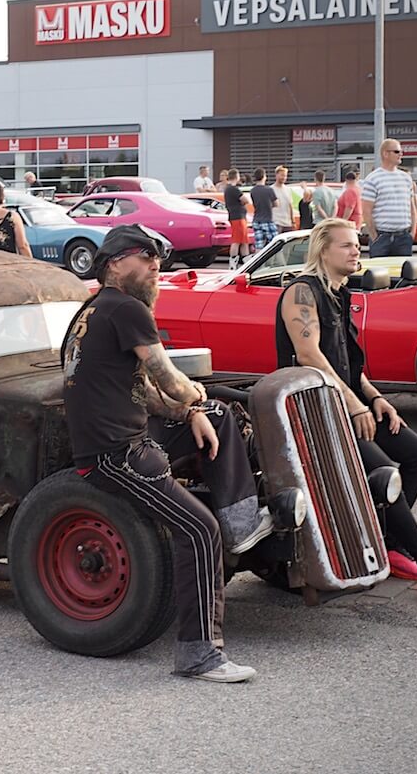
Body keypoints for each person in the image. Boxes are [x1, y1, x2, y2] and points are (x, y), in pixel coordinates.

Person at [62, 224, 283, 683]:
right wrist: (191, 396)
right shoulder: (126, 308)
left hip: (124, 441)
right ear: (116, 262)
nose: (155, 265)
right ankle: (199, 654)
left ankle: (240, 519)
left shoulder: (95, 309)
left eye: (158, 257)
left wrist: (191, 413)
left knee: (219, 416)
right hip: (116, 454)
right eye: (145, 256)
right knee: (200, 530)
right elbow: (165, 377)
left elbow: (140, 389)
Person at [276, 219, 417, 603]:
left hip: (347, 401)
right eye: (346, 246)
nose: (355, 250)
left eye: (357, 244)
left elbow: (348, 367)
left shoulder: (341, 295)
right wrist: (355, 405)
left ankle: (390, 543)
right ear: (323, 251)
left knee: (415, 455)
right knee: (383, 474)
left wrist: (376, 400)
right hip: (316, 412)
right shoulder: (302, 292)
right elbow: (310, 357)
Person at [362, 139, 417, 257]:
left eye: (401, 151)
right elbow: (366, 211)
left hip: (404, 237)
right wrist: (374, 236)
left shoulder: (406, 178)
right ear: (385, 154)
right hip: (382, 237)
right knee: (379, 273)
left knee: (404, 273)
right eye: (397, 151)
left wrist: (412, 233)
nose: (401, 154)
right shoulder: (373, 179)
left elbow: (412, 208)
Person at [223, 169, 250, 270]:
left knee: (243, 240)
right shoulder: (234, 189)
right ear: (236, 176)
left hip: (236, 216)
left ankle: (246, 260)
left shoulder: (227, 189)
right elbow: (245, 200)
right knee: (237, 240)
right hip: (238, 217)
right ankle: (233, 262)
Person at [249, 168, 277, 250]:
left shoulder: (253, 191)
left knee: (259, 245)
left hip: (256, 220)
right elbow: (276, 203)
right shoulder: (269, 190)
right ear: (264, 177)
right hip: (267, 220)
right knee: (275, 244)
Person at [271, 166, 293, 233]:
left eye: (285, 176)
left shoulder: (288, 189)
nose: (284, 178)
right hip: (276, 222)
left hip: (287, 223)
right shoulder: (271, 189)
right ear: (276, 175)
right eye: (282, 175)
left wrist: (293, 221)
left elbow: (290, 205)